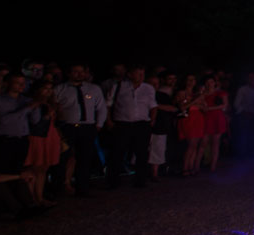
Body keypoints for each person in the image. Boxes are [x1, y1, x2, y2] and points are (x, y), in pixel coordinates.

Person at [54, 64, 107, 196]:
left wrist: (99, 124)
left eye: (82, 72)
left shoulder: (94, 89)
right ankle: (59, 187)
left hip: (87, 127)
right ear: (69, 73)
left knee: (85, 158)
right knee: (63, 158)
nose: (79, 74)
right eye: (75, 71)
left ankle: (82, 187)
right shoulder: (60, 89)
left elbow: (101, 108)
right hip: (67, 127)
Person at [106, 65, 156, 188]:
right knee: (117, 153)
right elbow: (108, 105)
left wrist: (152, 121)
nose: (141, 76)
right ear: (130, 74)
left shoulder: (148, 88)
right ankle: (113, 181)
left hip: (141, 124)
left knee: (142, 153)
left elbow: (153, 105)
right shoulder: (118, 87)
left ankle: (140, 181)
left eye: (143, 74)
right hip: (122, 124)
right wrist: (109, 121)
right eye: (138, 73)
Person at [0, 74, 38, 178]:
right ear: (8, 84)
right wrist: (27, 109)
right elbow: (4, 120)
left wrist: (36, 107)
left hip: (22, 139)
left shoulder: (26, 100)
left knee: (18, 170)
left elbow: (35, 120)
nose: (22, 85)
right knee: (3, 170)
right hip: (5, 140)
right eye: (17, 83)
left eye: (23, 83)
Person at [24, 83, 62, 205]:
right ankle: (31, 199)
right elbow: (32, 122)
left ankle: (39, 197)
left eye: (50, 89)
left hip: (49, 136)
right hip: (37, 137)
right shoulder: (32, 103)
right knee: (35, 167)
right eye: (45, 88)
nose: (48, 91)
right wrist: (46, 116)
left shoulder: (49, 104)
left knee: (44, 168)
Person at [148, 73, 177, 180]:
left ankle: (155, 173)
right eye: (152, 83)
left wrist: (156, 106)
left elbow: (173, 108)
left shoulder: (162, 96)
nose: (154, 86)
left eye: (156, 83)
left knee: (158, 149)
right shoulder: (142, 94)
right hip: (143, 126)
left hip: (160, 126)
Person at [177, 74, 206, 177]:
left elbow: (204, 107)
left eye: (193, 80)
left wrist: (197, 103)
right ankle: (185, 168)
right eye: (189, 79)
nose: (191, 82)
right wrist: (195, 102)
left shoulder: (197, 93)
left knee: (195, 145)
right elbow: (182, 107)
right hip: (188, 119)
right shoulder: (182, 93)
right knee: (191, 144)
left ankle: (191, 167)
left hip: (198, 118)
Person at [233, 73, 254, 158]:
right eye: (250, 78)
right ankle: (243, 155)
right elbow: (237, 104)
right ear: (247, 79)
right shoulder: (242, 89)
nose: (252, 79)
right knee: (244, 136)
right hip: (246, 116)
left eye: (253, 78)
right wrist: (244, 112)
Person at [200, 76, 229, 172]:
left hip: (217, 117)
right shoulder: (203, 94)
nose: (209, 84)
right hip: (207, 118)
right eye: (207, 82)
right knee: (203, 142)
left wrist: (210, 108)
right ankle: (196, 165)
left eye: (211, 81)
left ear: (214, 82)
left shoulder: (220, 93)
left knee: (215, 143)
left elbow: (225, 105)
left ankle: (213, 166)